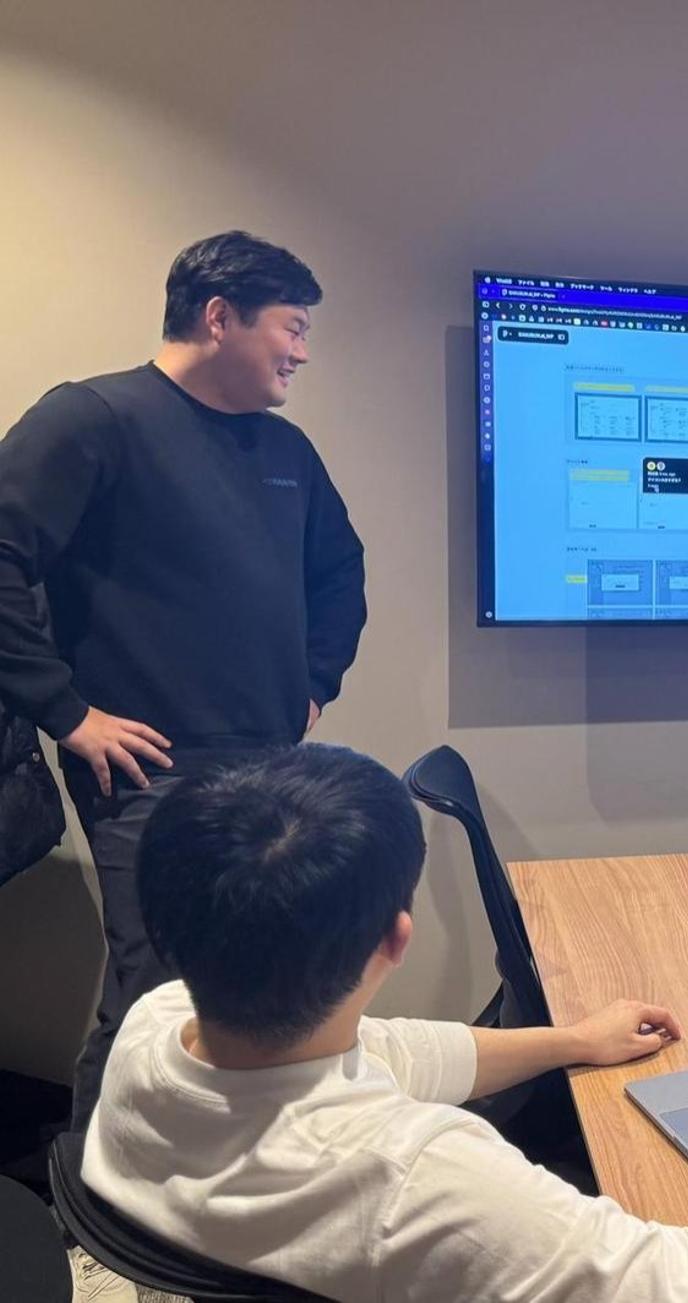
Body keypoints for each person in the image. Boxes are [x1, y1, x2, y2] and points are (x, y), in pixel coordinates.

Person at [85, 743, 688, 1302]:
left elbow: (392, 1050)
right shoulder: (418, 1180)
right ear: (396, 940)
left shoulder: (156, 1024)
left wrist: (574, 1041)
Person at [0, 231, 367, 1134]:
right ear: (219, 317)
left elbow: (339, 573)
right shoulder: (92, 420)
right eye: (291, 327)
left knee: (248, 992)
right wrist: (66, 711)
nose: (302, 351)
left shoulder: (285, 451)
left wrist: (313, 682)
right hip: (146, 773)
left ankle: (202, 1182)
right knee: (156, 997)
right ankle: (98, 1199)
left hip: (271, 765)